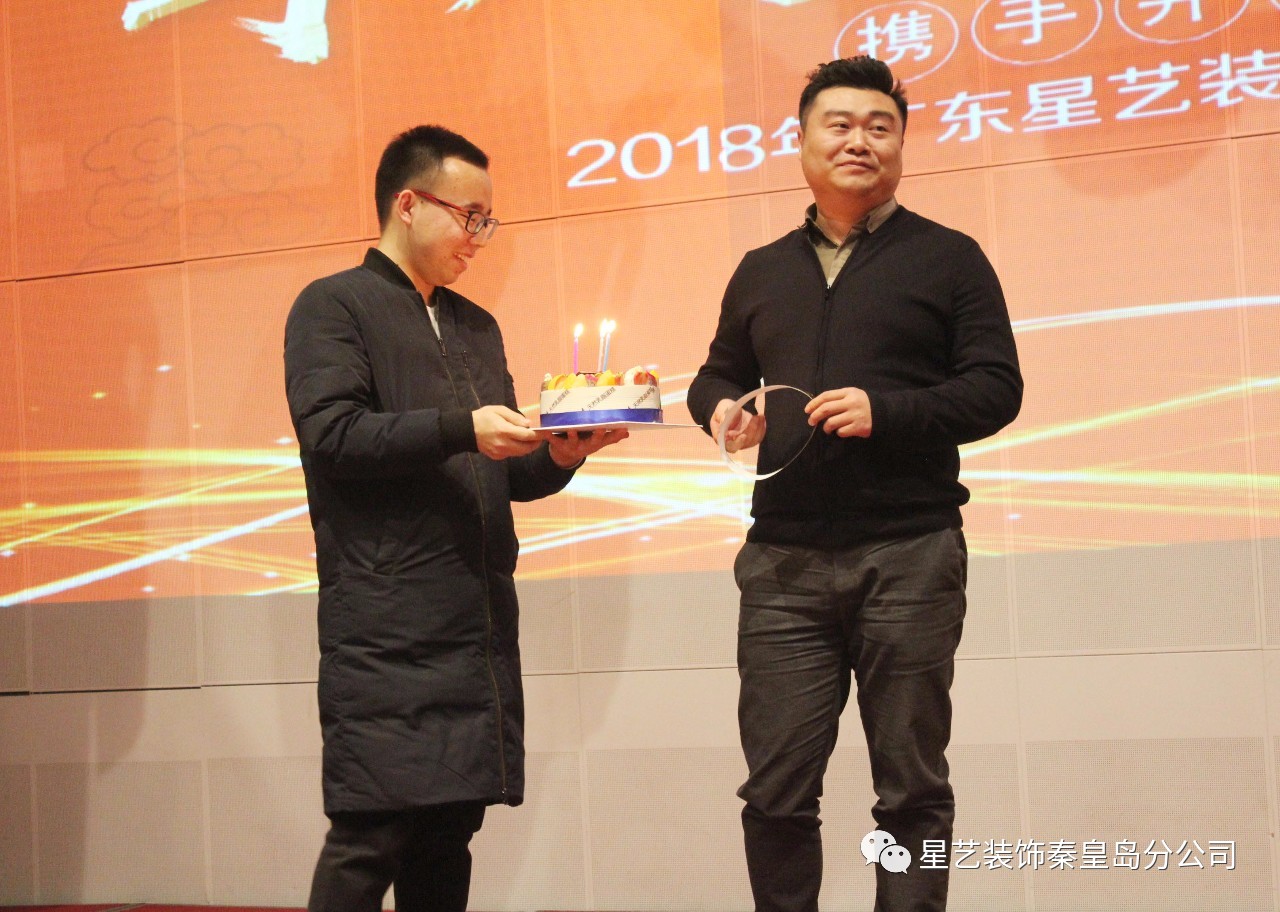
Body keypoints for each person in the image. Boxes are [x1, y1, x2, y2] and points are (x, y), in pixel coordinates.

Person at [687, 57, 1023, 912]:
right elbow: (716, 374)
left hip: (910, 553)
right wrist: (723, 410)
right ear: (802, 141)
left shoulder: (949, 257)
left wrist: (889, 412)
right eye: (838, 124)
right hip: (782, 564)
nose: (859, 141)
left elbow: (996, 389)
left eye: (881, 126)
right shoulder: (762, 268)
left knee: (911, 790)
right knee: (775, 792)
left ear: (902, 145)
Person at [284, 124, 626, 912]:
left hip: (474, 627)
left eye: (486, 220)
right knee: (371, 835)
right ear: (408, 204)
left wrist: (562, 453)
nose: (479, 235)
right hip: (384, 626)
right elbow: (333, 435)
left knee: (447, 839)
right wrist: (462, 427)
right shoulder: (334, 305)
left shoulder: (476, 325)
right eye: (468, 216)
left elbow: (499, 476)